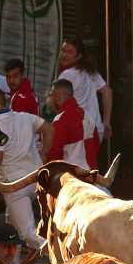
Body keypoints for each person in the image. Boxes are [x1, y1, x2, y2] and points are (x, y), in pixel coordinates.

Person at [0, 100, 51, 253]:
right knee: (11, 223)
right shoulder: (25, 117)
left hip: (16, 185)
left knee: (27, 234)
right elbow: (48, 128)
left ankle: (64, 255)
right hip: (38, 179)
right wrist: (44, 153)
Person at [56, 37, 111, 167]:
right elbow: (107, 91)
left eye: (69, 52)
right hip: (96, 129)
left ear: (78, 56)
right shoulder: (90, 72)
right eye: (63, 50)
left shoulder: (66, 75)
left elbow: (60, 103)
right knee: (89, 165)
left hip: (79, 131)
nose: (64, 55)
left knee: (78, 170)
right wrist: (106, 122)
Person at [45, 79, 88, 167]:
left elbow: (54, 154)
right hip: (92, 174)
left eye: (51, 94)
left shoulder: (60, 119)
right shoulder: (88, 116)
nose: (49, 98)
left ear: (57, 96)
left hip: (72, 175)